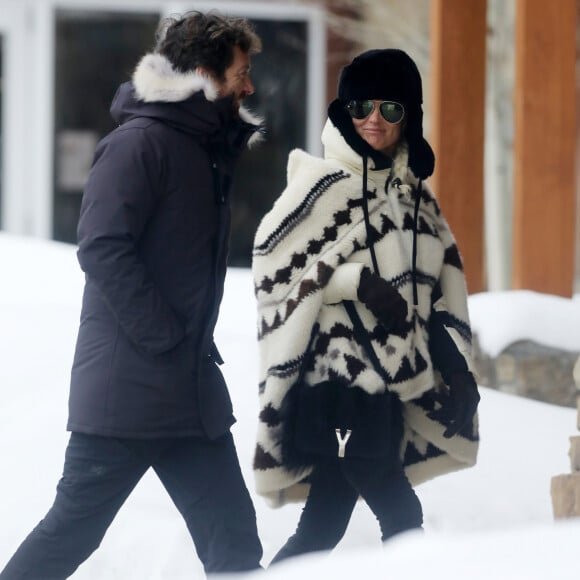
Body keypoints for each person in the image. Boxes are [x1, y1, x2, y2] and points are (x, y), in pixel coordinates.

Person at [0, 10, 264, 579]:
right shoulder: (140, 144)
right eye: (241, 71)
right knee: (72, 531)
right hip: (131, 391)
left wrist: (181, 350)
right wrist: (165, 339)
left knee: (234, 543)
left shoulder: (200, 149)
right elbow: (101, 248)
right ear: (204, 73)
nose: (249, 85)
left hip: (185, 392)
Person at [252, 49, 481, 563]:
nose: (373, 120)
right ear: (343, 112)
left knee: (323, 529)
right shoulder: (320, 186)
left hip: (385, 395)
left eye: (391, 109)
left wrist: (458, 374)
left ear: (410, 116)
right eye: (360, 107)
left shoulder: (414, 200)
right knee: (400, 518)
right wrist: (355, 281)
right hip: (336, 389)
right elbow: (272, 270)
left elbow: (430, 302)